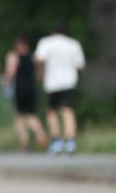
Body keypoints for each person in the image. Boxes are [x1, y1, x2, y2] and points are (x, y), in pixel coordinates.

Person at [34, 22, 85, 156]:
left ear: (53, 31)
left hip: (52, 83)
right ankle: (70, 142)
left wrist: (40, 74)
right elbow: (80, 66)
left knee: (52, 112)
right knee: (68, 111)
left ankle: (56, 142)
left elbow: (39, 60)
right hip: (69, 82)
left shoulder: (46, 42)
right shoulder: (73, 44)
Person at [2, 36, 47, 151]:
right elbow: (40, 73)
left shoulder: (13, 56)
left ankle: (25, 143)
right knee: (31, 114)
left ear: (17, 46)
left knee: (19, 116)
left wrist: (5, 83)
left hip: (20, 89)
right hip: (32, 89)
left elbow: (11, 72)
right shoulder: (33, 58)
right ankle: (40, 133)